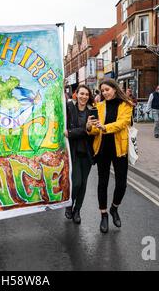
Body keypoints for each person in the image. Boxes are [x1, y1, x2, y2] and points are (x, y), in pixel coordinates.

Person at [87, 79, 133, 233]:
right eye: (102, 91)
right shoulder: (98, 107)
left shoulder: (126, 105)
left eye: (107, 89)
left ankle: (114, 208)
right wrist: (90, 126)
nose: (105, 93)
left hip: (119, 149)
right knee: (103, 183)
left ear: (114, 89)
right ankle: (104, 215)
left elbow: (122, 123)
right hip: (102, 149)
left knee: (122, 184)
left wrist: (104, 127)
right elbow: (94, 130)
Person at [64, 85, 95, 224]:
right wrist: (83, 130)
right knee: (76, 183)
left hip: (87, 153)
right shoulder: (70, 107)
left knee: (83, 184)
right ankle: (69, 205)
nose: (84, 96)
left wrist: (72, 133)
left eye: (87, 94)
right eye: (81, 93)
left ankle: (77, 210)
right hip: (74, 152)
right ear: (76, 94)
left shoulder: (92, 111)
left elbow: (92, 131)